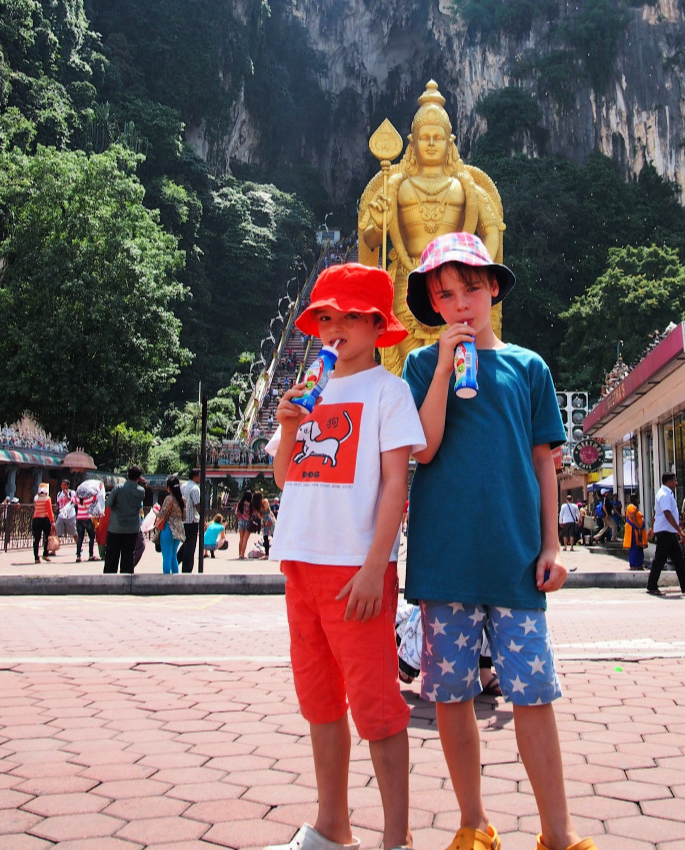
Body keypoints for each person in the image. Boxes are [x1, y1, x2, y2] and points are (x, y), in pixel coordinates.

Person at [402, 232, 597, 850]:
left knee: (534, 696)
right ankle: (472, 823)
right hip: (446, 560)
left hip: (515, 558)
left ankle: (558, 834)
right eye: (445, 295)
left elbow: (546, 463)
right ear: (434, 306)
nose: (459, 305)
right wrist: (440, 367)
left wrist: (552, 547)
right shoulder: (417, 366)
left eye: (470, 290)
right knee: (453, 696)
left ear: (492, 289)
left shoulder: (528, 367)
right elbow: (424, 447)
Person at [263, 262, 425, 850]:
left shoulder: (388, 390)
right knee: (320, 699)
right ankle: (333, 824)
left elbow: (394, 485)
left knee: (377, 705)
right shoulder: (314, 388)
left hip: (355, 568)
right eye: (325, 317)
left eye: (349, 317)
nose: (334, 328)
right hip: (299, 561)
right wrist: (286, 428)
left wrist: (375, 567)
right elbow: (286, 477)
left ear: (377, 324)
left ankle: (396, 838)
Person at [359, 81, 504, 377]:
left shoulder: (466, 186)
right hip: (407, 283)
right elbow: (371, 241)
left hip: (455, 288)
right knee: (409, 368)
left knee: (460, 363)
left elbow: (491, 229)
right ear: (413, 143)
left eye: (438, 137)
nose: (431, 143)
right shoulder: (396, 185)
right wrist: (378, 222)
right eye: (424, 137)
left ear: (449, 142)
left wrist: (476, 268)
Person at [647, 472, 685, 597]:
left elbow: (656, 513)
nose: (676, 483)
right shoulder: (664, 495)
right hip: (665, 531)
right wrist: (679, 530)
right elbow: (667, 514)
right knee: (660, 559)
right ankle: (651, 586)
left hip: (669, 531)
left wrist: (652, 527)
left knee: (679, 560)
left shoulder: (667, 494)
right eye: (674, 481)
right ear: (669, 482)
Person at [104, 466, 145, 574]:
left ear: (127, 474)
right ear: (139, 477)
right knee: (128, 555)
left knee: (112, 555)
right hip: (132, 528)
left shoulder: (118, 488)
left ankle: (109, 580)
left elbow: (108, 504)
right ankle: (127, 581)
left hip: (115, 527)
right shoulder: (141, 491)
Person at [155, 475, 185, 575]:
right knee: (173, 557)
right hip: (179, 530)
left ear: (169, 487)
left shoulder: (169, 499)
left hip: (168, 529)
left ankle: (166, 580)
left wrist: (155, 510)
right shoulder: (182, 500)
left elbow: (162, 514)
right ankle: (176, 580)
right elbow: (184, 517)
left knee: (166, 557)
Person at [178, 468, 201, 573]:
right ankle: (187, 569)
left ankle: (176, 560)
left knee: (186, 543)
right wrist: (203, 518)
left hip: (183, 520)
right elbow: (197, 505)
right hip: (192, 520)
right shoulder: (195, 488)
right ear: (195, 476)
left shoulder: (183, 486)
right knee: (190, 546)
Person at [623, 493, 647, 570]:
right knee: (634, 548)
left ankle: (639, 563)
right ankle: (634, 564)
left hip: (637, 531)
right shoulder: (631, 507)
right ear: (635, 499)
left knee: (639, 548)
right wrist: (638, 527)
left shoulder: (635, 507)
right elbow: (633, 517)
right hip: (633, 531)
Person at [32, 482, 55, 563]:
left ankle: (36, 557)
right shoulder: (47, 498)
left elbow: (35, 507)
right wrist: (52, 521)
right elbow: (49, 511)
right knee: (47, 538)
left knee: (36, 539)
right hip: (45, 519)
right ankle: (45, 554)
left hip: (36, 520)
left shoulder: (35, 498)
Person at [74, 491, 99, 562]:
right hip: (87, 519)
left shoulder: (77, 499)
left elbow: (73, 498)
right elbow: (96, 496)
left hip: (79, 519)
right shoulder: (89, 499)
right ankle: (91, 555)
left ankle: (78, 556)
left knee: (80, 537)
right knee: (91, 536)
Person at [55, 479, 77, 547]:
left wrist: (67, 495)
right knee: (57, 531)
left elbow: (74, 502)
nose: (63, 486)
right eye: (62, 485)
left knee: (73, 532)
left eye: (64, 485)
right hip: (61, 515)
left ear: (67, 486)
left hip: (70, 515)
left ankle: (79, 547)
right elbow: (58, 503)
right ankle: (54, 548)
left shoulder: (72, 492)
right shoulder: (59, 494)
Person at [236, 490, 253, 559]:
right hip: (248, 522)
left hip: (241, 521)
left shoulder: (240, 503)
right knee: (245, 539)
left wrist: (241, 517)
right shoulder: (251, 504)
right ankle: (243, 554)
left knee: (241, 539)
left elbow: (237, 512)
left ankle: (240, 554)